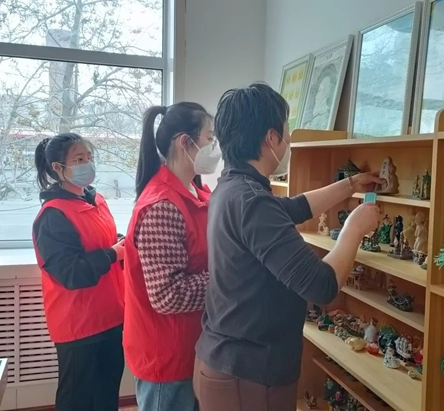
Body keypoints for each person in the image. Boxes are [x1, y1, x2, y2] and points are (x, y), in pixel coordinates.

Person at [194, 83, 383, 411]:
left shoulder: (233, 188)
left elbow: (294, 207)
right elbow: (323, 285)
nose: (289, 139)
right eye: (286, 131)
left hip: (225, 362)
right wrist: (354, 228)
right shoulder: (252, 201)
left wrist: (350, 184)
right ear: (271, 138)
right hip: (248, 375)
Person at [124, 103, 221, 411]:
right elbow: (167, 295)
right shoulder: (162, 207)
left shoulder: (197, 193)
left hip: (192, 345)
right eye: (210, 138)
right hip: (167, 355)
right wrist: (229, 279)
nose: (214, 147)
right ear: (184, 142)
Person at [32, 133, 125, 411]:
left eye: (90, 157)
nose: (87, 164)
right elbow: (70, 273)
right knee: (77, 398)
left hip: (111, 315)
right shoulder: (53, 215)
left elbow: (99, 241)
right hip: (78, 325)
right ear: (58, 168)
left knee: (107, 393)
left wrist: (119, 242)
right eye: (79, 159)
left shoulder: (96, 201)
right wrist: (113, 253)